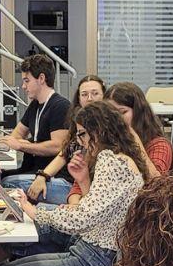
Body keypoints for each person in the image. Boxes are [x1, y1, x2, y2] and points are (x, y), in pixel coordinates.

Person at [0, 101, 154, 266]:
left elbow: (82, 219)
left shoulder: (110, 160)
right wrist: (84, 180)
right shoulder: (121, 157)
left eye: (82, 134)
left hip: (93, 263)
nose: (79, 141)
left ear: (99, 130)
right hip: (94, 255)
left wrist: (35, 212)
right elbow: (98, 213)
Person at [0, 54, 72, 204]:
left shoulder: (60, 106)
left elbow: (57, 146)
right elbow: (17, 133)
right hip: (36, 171)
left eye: (27, 81)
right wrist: (19, 142)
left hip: (56, 176)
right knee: (0, 177)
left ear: (41, 79)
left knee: (7, 184)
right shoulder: (35, 105)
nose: (23, 86)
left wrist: (22, 145)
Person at [27, 75, 110, 203]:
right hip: (75, 187)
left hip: (88, 191)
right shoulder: (77, 122)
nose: (90, 99)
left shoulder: (109, 128)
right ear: (78, 99)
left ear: (104, 96)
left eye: (95, 93)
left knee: (17, 187)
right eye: (84, 94)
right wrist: (42, 176)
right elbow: (64, 154)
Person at [105, 81, 173, 174]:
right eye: (110, 114)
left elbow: (157, 182)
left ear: (138, 112)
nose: (116, 119)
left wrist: (134, 140)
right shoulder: (106, 141)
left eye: (122, 112)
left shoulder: (159, 145)